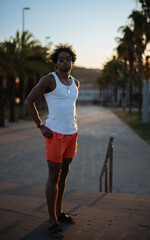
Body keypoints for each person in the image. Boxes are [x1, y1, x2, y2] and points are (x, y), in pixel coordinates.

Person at [25, 43, 79, 238]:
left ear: (72, 62)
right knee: (53, 176)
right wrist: (41, 126)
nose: (65, 61)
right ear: (56, 63)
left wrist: (73, 126)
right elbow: (28, 101)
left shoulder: (76, 83)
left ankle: (58, 211)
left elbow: (70, 108)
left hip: (72, 134)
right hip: (54, 134)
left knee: (64, 174)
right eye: (61, 59)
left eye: (68, 59)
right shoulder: (49, 80)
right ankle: (52, 220)